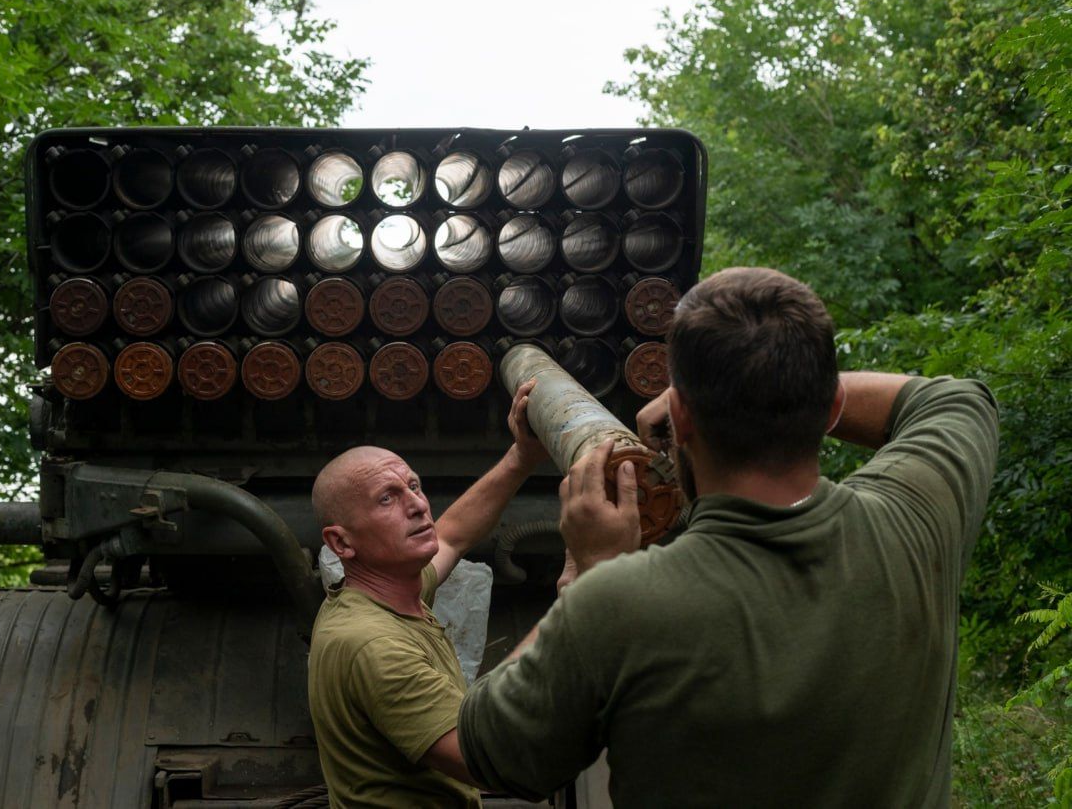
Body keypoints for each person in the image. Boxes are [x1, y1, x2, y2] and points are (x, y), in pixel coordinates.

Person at [443, 267, 1000, 807]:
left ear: (680, 418)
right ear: (832, 409)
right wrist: (793, 388)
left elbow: (486, 749)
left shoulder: (617, 604)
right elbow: (956, 400)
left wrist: (588, 573)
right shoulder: (917, 523)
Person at [307, 379, 548, 808]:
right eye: (386, 499)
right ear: (341, 543)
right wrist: (580, 593)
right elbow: (492, 760)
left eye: (413, 487)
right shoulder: (374, 646)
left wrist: (522, 456)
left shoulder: (387, 590)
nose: (417, 505)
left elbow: (454, 534)